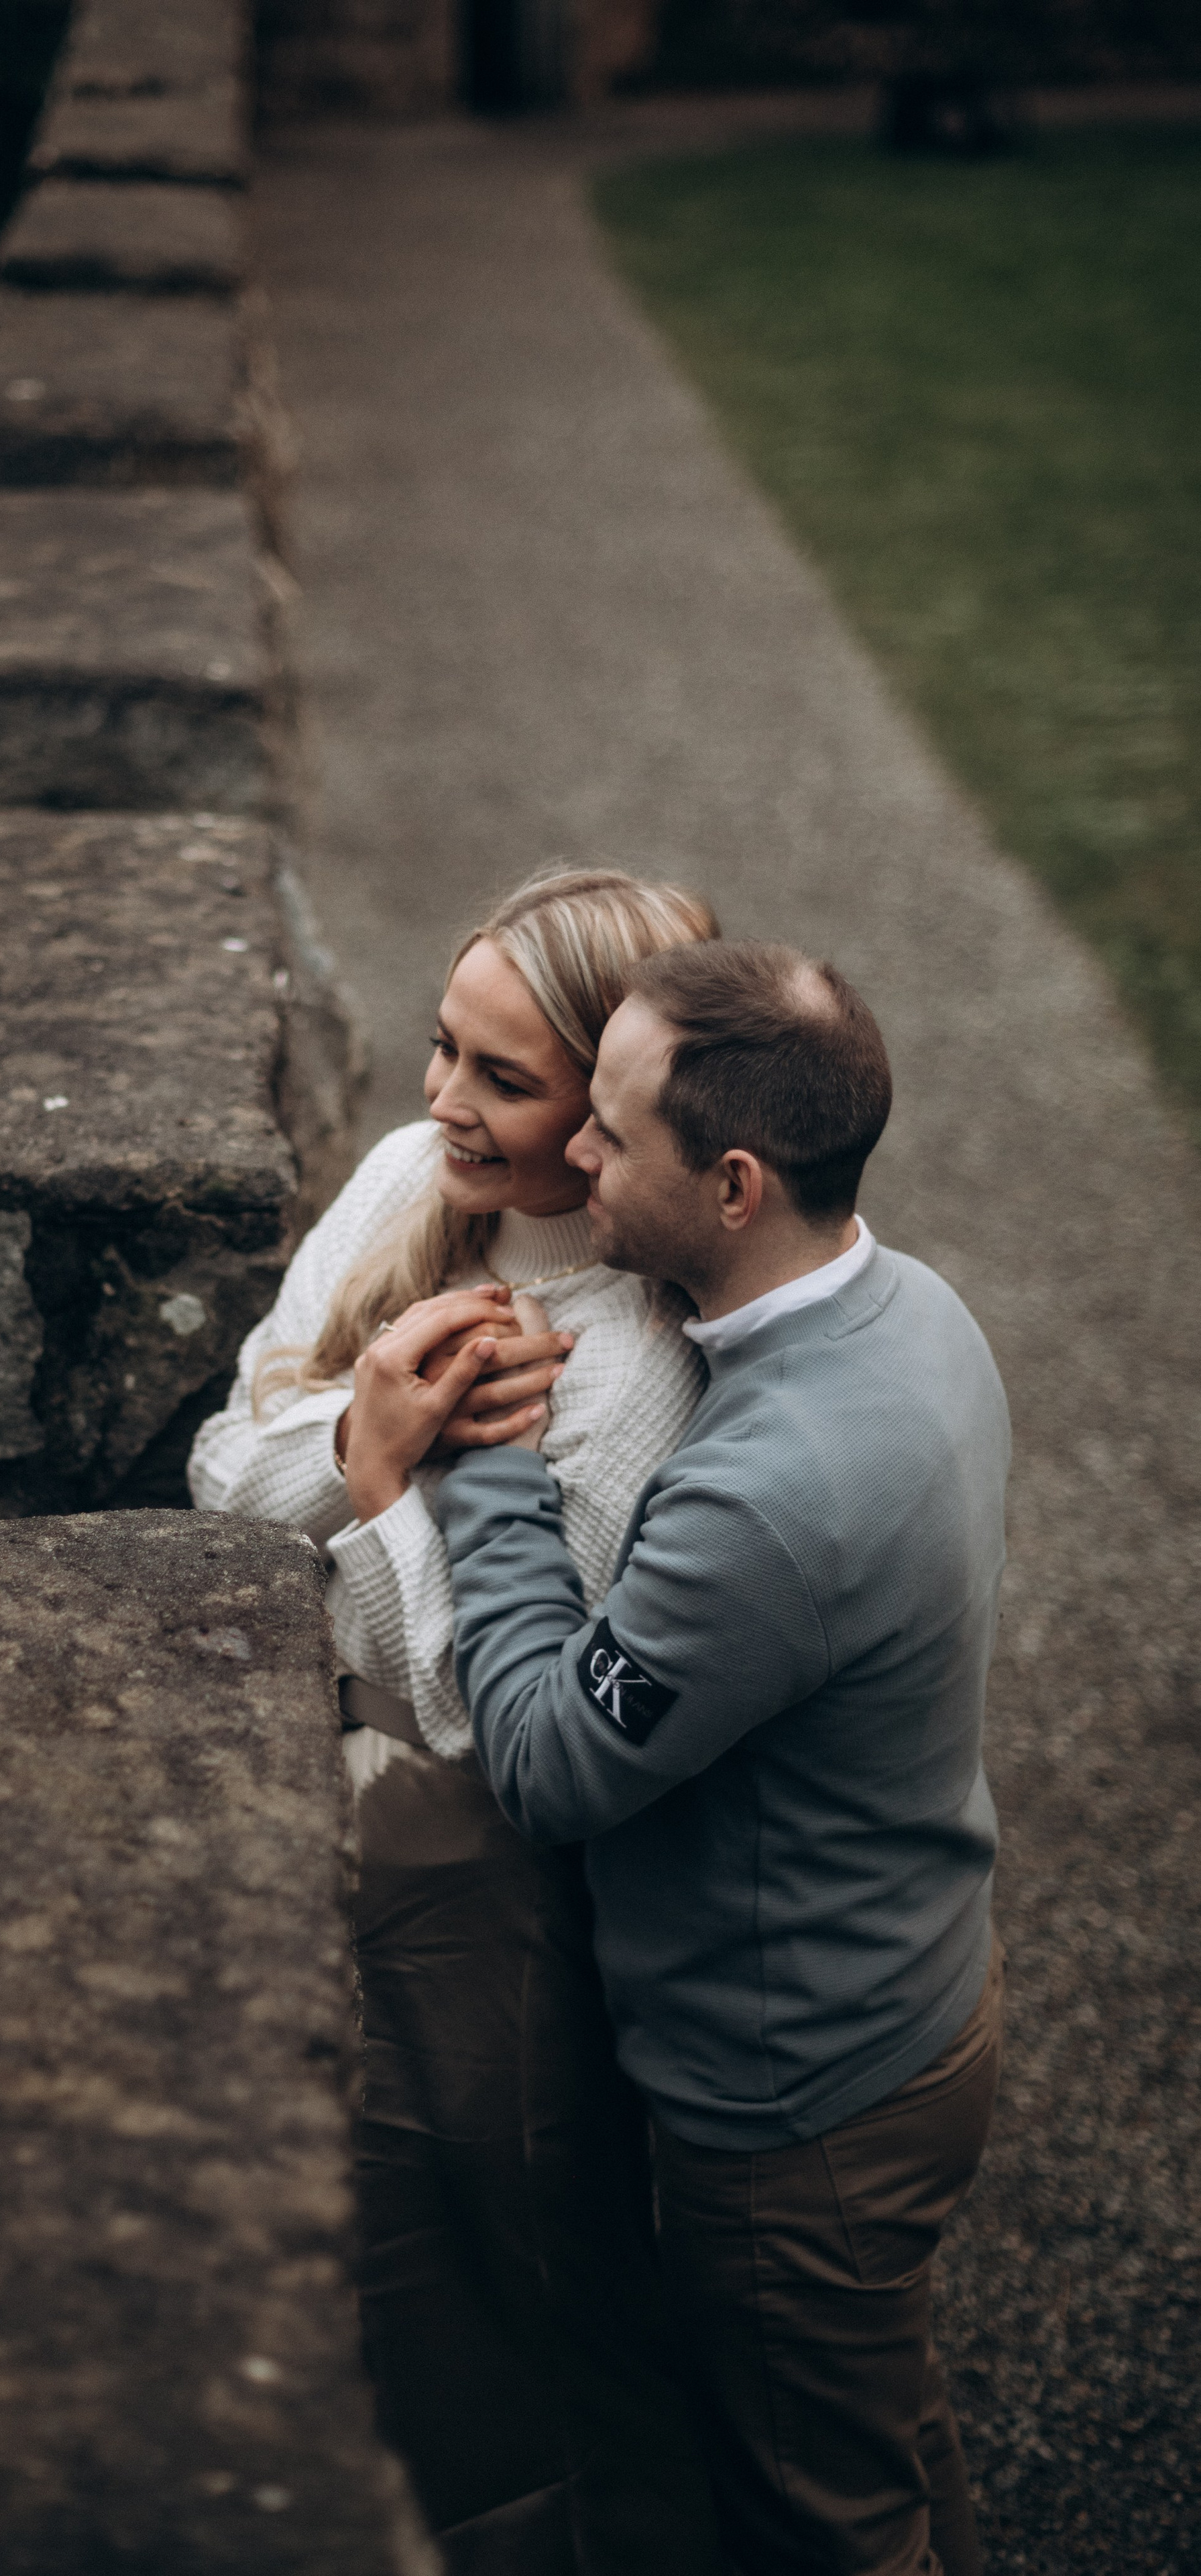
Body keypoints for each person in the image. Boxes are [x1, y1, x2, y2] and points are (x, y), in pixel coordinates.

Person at [343, 939, 1009, 2576]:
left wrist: (480, 1471)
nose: (569, 1153)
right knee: (877, 2427)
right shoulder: (906, 1305)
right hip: (910, 1994)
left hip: (795, 2107)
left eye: (609, 1136)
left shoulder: (771, 1493)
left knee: (816, 2520)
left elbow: (557, 1764)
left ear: (728, 1183)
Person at [189, 871, 726, 2575]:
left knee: (490, 2277)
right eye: (440, 1049)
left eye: (500, 1078)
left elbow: (470, 1705)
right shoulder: (408, 1183)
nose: (439, 1102)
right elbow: (215, 1470)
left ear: (608, 1112)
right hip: (299, 1802)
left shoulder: (627, 1364)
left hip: (462, 1869)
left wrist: (351, 1490)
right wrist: (376, 1439)